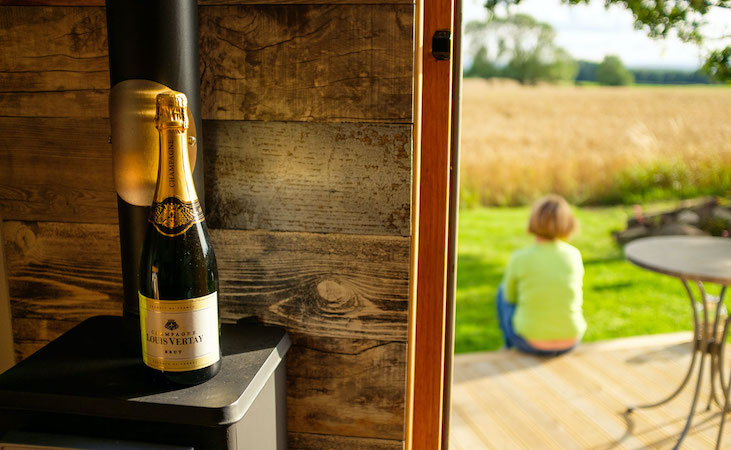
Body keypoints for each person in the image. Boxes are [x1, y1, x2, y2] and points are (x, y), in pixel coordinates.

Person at [496, 194, 585, 356]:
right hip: (571, 340)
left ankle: (508, 346)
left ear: (533, 221)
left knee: (502, 291)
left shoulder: (519, 258)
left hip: (528, 342)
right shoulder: (574, 255)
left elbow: (509, 297)